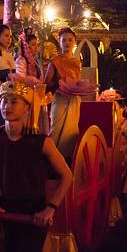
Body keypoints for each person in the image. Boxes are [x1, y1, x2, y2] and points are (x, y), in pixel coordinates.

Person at [0, 80, 73, 252]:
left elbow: (67, 176)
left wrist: (50, 208)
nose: (7, 106)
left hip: (35, 212)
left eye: (14, 101)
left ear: (27, 108)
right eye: (4, 101)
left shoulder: (41, 141)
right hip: (7, 209)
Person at [45, 27, 82, 160]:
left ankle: (66, 162)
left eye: (70, 40)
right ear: (60, 43)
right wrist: (59, 84)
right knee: (56, 130)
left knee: (71, 132)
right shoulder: (55, 61)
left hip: (74, 100)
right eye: (64, 40)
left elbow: (77, 80)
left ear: (74, 42)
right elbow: (46, 82)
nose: (67, 43)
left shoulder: (77, 62)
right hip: (60, 99)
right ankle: (50, 160)